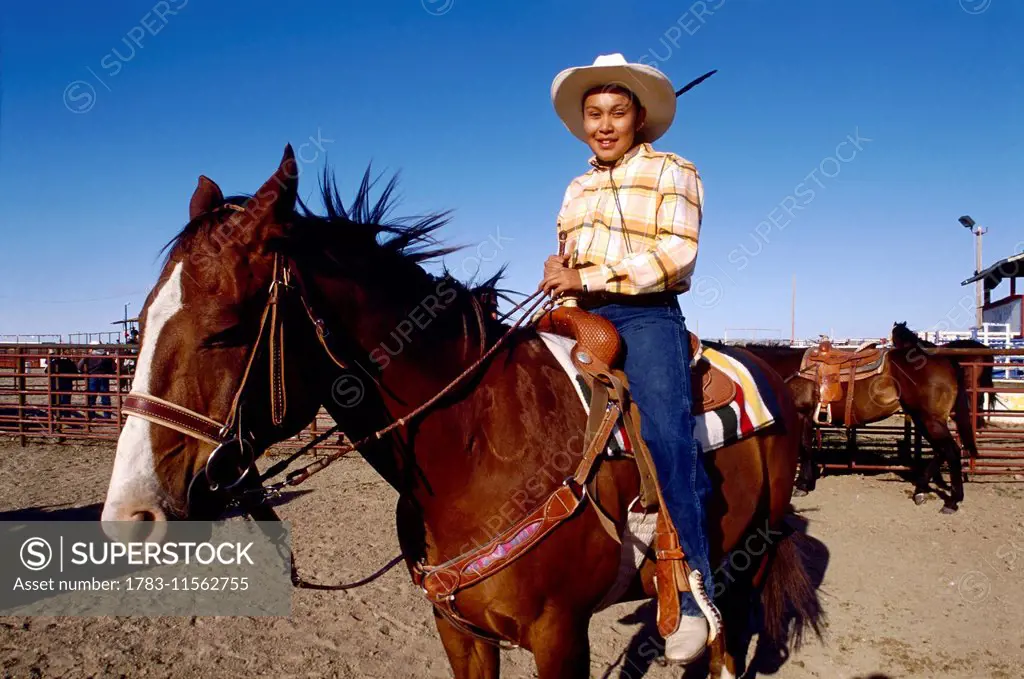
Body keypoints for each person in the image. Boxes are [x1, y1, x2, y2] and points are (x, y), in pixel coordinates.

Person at [540, 53, 717, 663]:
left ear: (640, 118)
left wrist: (595, 274)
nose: (605, 124)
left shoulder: (675, 170)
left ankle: (694, 588)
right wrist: (560, 272)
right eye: (594, 114)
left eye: (617, 112)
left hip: (647, 315)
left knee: (668, 431)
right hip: (576, 314)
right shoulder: (577, 187)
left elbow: (677, 254)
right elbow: (567, 253)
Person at [78, 340, 115, 419]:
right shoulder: (106, 357)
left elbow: (79, 366)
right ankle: (107, 416)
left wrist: (84, 371)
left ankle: (91, 415)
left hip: (92, 377)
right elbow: (113, 367)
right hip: (103, 377)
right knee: (105, 398)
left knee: (91, 397)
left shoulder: (88, 357)